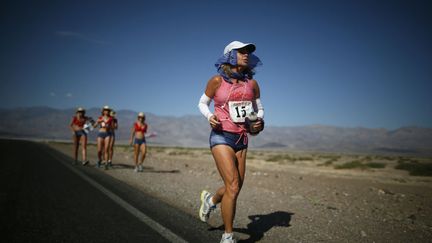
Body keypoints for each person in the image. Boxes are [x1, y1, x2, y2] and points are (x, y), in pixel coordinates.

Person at [197, 41, 265, 243]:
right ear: (229, 56)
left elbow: (259, 108)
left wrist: (258, 121)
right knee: (233, 186)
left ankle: (211, 200)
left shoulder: (251, 84)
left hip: (242, 138)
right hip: (221, 136)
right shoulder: (217, 81)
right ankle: (228, 236)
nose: (246, 55)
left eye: (248, 52)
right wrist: (209, 116)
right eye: (241, 52)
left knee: (234, 188)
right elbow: (202, 102)